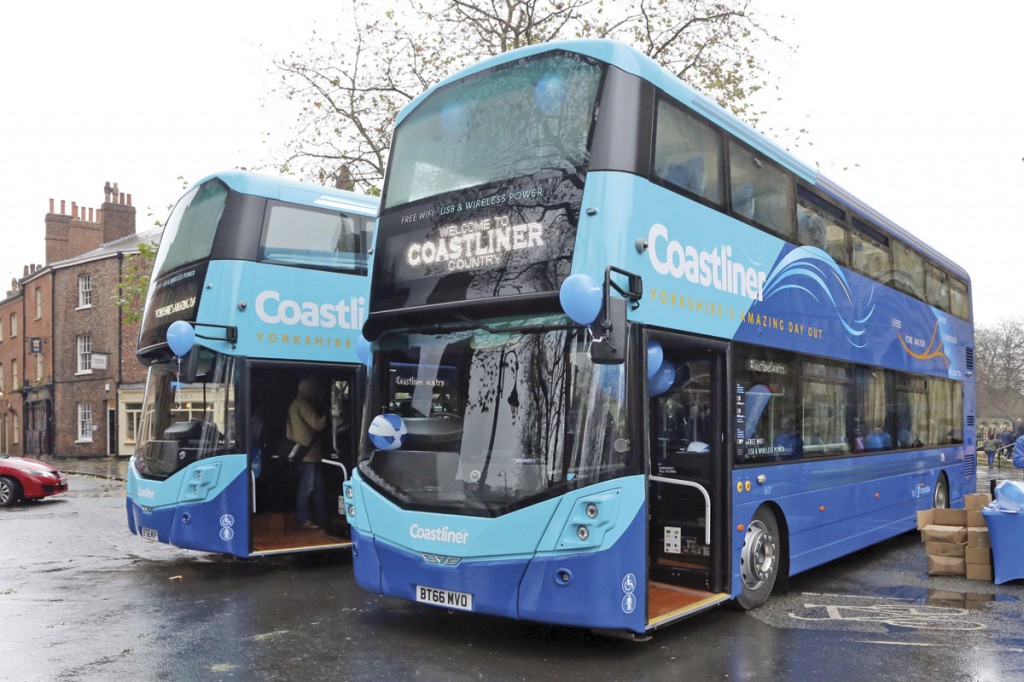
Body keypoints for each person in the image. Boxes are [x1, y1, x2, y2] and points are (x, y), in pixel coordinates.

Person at [287, 376, 328, 530]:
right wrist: (331, 414)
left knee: (318, 486)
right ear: (307, 390)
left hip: (307, 454)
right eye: (313, 389)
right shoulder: (303, 404)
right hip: (308, 454)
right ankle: (303, 519)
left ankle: (322, 518)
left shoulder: (295, 403)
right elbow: (317, 425)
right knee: (307, 487)